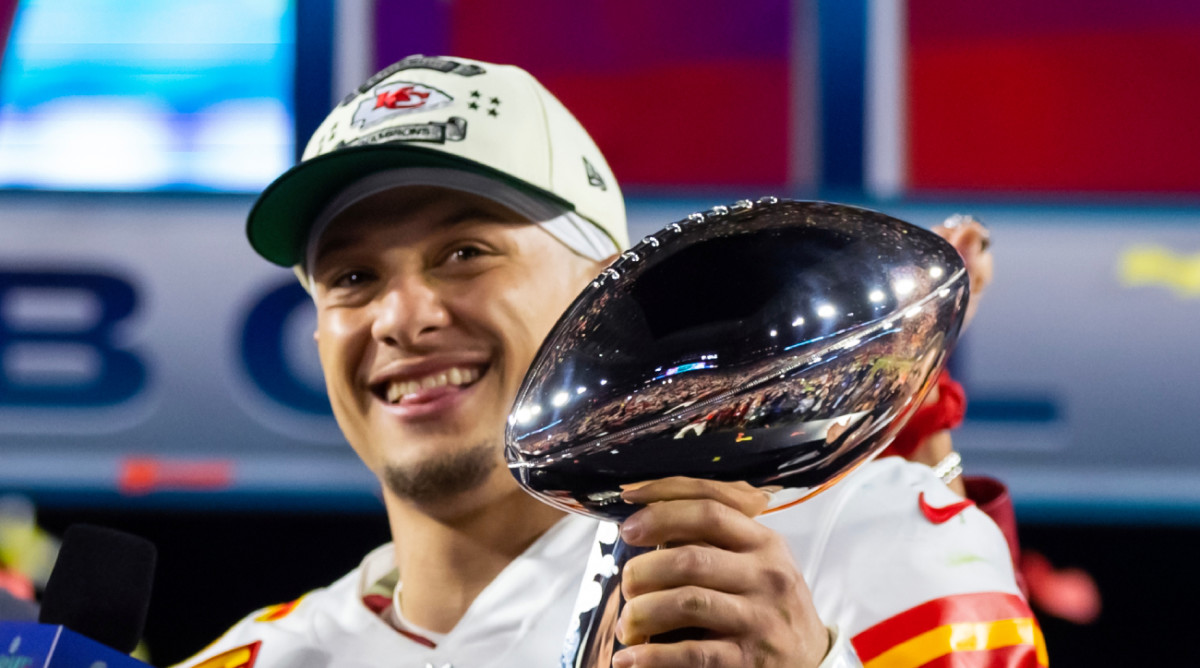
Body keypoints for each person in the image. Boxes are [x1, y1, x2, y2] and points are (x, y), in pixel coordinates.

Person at [174, 55, 1045, 668]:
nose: (403, 317)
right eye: (354, 278)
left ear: (604, 292)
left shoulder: (863, 541)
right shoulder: (253, 658)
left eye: (465, 253)